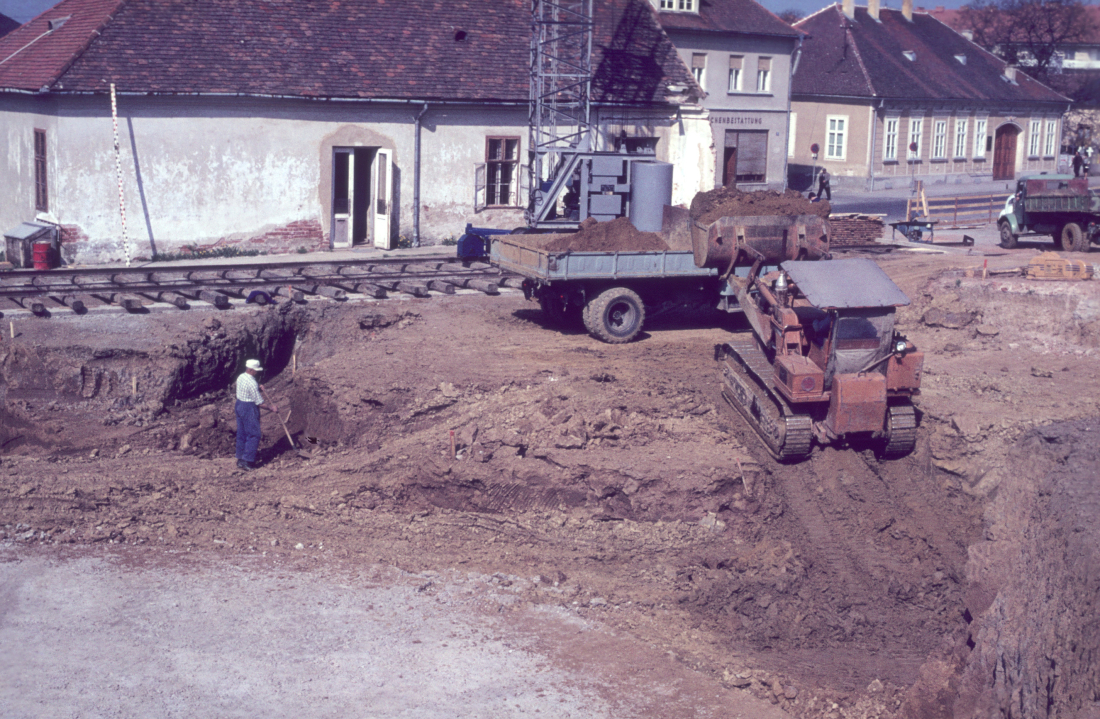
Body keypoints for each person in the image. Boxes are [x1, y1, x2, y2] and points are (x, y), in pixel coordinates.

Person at [235, 358, 278, 470]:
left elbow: (248, 388)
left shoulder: (241, 376)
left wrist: (258, 386)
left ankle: (240, 458)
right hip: (248, 408)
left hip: (239, 405)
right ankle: (247, 461)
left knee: (242, 432)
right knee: (254, 434)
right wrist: (271, 408)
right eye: (256, 370)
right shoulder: (252, 383)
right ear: (250, 370)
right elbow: (260, 403)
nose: (257, 372)